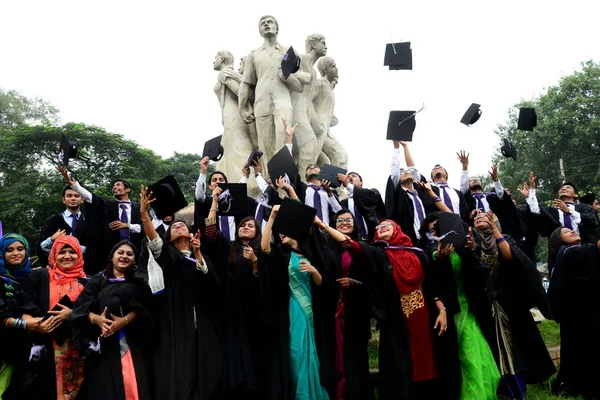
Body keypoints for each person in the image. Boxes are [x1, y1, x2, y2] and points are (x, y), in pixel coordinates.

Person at [321, 218, 460, 400]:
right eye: (378, 227)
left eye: (387, 225)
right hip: (397, 320)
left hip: (424, 316)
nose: (382, 227)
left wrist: (441, 310)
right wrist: (323, 226)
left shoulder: (417, 253)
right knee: (401, 366)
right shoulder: (379, 254)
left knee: (429, 361)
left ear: (397, 229)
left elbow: (431, 284)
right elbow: (352, 245)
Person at [139, 186, 222, 400]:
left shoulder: (202, 257)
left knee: (206, 373)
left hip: (203, 326)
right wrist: (144, 215)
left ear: (191, 233)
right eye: (173, 226)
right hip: (176, 324)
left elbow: (213, 287)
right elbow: (154, 242)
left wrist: (198, 255)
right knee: (180, 375)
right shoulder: (168, 258)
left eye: (181, 225)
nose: (177, 227)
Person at [471, 211, 555, 398]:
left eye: (484, 216)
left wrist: (494, 229)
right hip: (484, 307)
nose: (479, 218)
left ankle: (515, 389)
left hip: (507, 304)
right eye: (476, 218)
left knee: (511, 347)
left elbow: (509, 257)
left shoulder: (504, 238)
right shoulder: (473, 243)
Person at [419, 212, 501, 399]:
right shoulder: (429, 250)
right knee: (455, 358)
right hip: (447, 311)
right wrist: (438, 256)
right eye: (431, 230)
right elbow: (431, 278)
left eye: (438, 227)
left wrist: (473, 249)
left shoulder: (464, 247)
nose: (436, 232)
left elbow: (479, 273)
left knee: (474, 352)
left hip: (470, 309)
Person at [261, 203, 331, 400]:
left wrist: (314, 271)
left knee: (312, 350)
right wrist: (273, 218)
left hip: (312, 308)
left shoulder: (313, 254)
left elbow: (322, 283)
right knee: (296, 350)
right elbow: (265, 248)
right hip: (292, 308)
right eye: (279, 232)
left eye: (285, 232)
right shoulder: (282, 256)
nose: (281, 234)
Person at [204, 191, 269, 399]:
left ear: (257, 232)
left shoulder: (263, 250)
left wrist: (255, 262)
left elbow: (265, 282)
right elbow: (211, 231)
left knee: (254, 354)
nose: (245, 227)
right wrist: (214, 201)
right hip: (231, 309)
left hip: (254, 312)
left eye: (250, 225)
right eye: (242, 225)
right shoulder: (229, 247)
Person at [71, 240, 153, 400]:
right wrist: (98, 320)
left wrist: (124, 321)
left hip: (130, 344)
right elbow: (79, 309)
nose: (124, 256)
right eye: (120, 252)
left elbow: (146, 309)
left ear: (135, 259)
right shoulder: (97, 280)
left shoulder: (139, 283)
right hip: (103, 345)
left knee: (132, 384)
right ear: (112, 257)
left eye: (129, 254)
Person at [22, 235, 88, 399]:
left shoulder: (88, 282)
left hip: (77, 349)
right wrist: (35, 324)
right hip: (46, 346)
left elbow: (93, 313)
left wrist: (71, 314)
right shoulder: (40, 276)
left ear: (79, 254)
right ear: (53, 255)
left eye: (72, 252)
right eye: (61, 252)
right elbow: (25, 303)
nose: (67, 256)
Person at [323, 210, 375, 400]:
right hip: (333, 311)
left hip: (355, 312)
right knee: (335, 355)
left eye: (348, 220)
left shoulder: (364, 248)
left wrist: (356, 284)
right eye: (340, 220)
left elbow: (373, 280)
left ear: (354, 225)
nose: (344, 223)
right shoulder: (327, 249)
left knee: (355, 357)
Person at [58, 167, 144, 274]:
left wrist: (127, 226)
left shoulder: (138, 207)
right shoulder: (109, 205)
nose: (114, 187)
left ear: (127, 189)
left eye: (118, 185)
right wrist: (72, 184)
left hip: (136, 251)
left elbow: (144, 227)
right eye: (113, 186)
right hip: (111, 252)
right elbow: (91, 198)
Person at [547, 227, 600, 398]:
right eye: (566, 232)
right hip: (579, 313)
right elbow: (593, 250)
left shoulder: (568, 254)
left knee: (576, 350)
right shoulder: (568, 253)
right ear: (559, 240)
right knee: (584, 350)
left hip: (577, 312)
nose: (572, 232)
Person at [239, 15, 294, 165]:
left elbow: (299, 81)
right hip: (261, 102)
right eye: (262, 23)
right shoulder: (253, 54)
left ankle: (284, 183)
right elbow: (246, 83)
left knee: (283, 138)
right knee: (265, 145)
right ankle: (268, 184)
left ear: (277, 28)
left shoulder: (287, 51)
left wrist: (288, 77)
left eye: (270, 22)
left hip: (282, 100)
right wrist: (242, 106)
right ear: (260, 31)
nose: (266, 25)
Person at [386, 141, 453, 245]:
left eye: (407, 172)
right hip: (410, 240)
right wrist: (396, 147)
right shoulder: (398, 194)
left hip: (432, 240)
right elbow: (394, 171)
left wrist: (405, 146)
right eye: (402, 173)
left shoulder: (422, 194)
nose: (406, 173)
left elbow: (413, 169)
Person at [0, 233, 38, 399]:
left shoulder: (35, 276)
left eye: (20, 249)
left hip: (29, 346)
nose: (16, 253)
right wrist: (22, 324)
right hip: (4, 345)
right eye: (9, 250)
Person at [524, 172, 599, 244]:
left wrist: (569, 211)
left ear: (575, 195)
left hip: (585, 249)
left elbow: (592, 222)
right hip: (561, 252)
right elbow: (535, 210)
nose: (563, 189)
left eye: (568, 188)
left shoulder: (584, 208)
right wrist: (531, 190)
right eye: (561, 188)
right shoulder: (552, 211)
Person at [37, 185, 87, 268]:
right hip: (57, 269)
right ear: (63, 200)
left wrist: (72, 246)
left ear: (82, 199)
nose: (73, 198)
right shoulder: (53, 220)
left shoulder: (88, 222)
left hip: (83, 269)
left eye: (77, 196)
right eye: (69, 196)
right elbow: (40, 247)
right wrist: (52, 239)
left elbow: (94, 248)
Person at [338, 172, 386, 242]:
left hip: (376, 238)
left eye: (353, 176)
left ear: (361, 182)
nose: (350, 177)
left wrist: (348, 185)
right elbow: (339, 213)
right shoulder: (345, 202)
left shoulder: (372, 193)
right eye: (348, 177)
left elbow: (365, 195)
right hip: (355, 241)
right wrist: (330, 193)